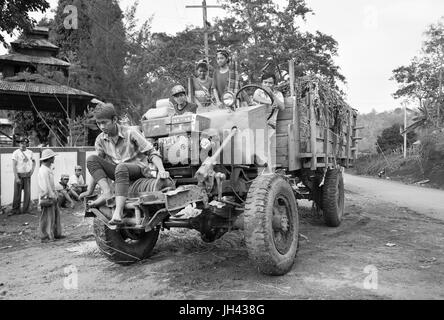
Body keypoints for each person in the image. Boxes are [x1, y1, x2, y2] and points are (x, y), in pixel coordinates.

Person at [79, 103, 170, 225]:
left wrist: (162, 170)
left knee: (121, 167)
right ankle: (107, 193)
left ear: (115, 119)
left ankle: (118, 211)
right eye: (98, 123)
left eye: (104, 122)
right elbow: (97, 167)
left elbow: (151, 152)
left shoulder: (130, 133)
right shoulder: (100, 139)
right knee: (91, 159)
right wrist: (89, 191)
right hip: (119, 173)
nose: (101, 126)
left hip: (137, 171)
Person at [252, 73, 286, 172]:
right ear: (262, 83)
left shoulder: (278, 94)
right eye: (265, 82)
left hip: (269, 125)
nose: (267, 85)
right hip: (256, 124)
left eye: (270, 83)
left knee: (263, 141)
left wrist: (271, 94)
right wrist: (269, 102)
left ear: (274, 84)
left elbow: (282, 107)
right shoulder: (258, 91)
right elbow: (255, 98)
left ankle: (267, 172)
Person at [37, 149, 63, 242]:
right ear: (48, 159)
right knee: (47, 217)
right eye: (52, 157)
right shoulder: (43, 171)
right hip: (47, 197)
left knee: (54, 216)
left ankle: (54, 234)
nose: (54, 159)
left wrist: (54, 193)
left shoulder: (47, 169)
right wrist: (52, 195)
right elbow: (46, 186)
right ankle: (46, 236)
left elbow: (51, 185)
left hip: (50, 196)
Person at [10, 138, 36, 216]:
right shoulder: (16, 153)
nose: (22, 144)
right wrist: (16, 177)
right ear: (19, 144)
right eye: (21, 143)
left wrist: (32, 171)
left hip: (27, 175)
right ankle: (15, 210)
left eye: (24, 143)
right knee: (17, 193)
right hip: (19, 175)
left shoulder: (30, 152)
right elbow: (14, 166)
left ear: (27, 144)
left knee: (27, 193)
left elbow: (34, 162)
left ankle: (26, 210)